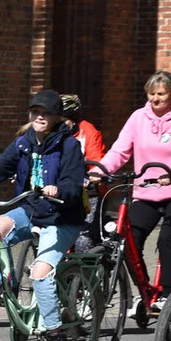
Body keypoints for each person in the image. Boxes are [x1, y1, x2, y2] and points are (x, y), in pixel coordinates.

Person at [0, 89, 86, 341]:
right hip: (30, 210)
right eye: (36, 111)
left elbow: (74, 183)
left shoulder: (69, 146)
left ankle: (55, 337)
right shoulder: (23, 144)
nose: (40, 116)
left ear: (56, 117)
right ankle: (3, 284)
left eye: (47, 113)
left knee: (41, 273)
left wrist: (59, 189)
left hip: (61, 216)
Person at [89, 70, 171, 311]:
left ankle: (169, 294)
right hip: (147, 190)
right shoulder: (138, 118)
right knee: (129, 240)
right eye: (151, 94)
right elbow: (120, 150)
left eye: (161, 94)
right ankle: (145, 290)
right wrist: (101, 170)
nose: (155, 99)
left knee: (166, 238)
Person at [61, 93, 106, 250]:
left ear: (73, 119)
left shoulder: (88, 131)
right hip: (61, 191)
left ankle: (86, 273)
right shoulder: (50, 134)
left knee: (82, 238)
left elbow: (96, 159)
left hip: (87, 192)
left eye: (62, 120)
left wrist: (94, 174)